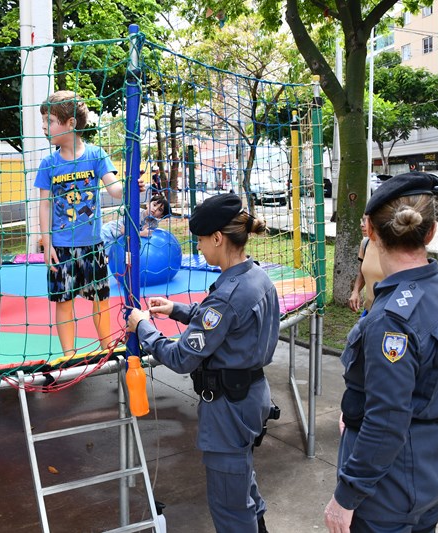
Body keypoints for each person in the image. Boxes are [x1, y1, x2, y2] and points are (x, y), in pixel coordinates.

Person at [324, 172, 438, 533]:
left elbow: (387, 421)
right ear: (431, 231)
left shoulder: (390, 320)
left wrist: (345, 498)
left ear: (370, 231)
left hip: (391, 486)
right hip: (435, 464)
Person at [127, 193, 279, 533]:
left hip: (229, 410)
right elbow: (229, 324)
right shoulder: (256, 277)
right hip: (250, 396)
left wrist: (143, 327)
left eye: (199, 240)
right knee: (244, 487)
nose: (198, 248)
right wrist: (177, 310)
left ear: (218, 238)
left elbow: (182, 357)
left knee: (230, 507)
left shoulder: (227, 294)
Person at [35, 90, 144, 357]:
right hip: (61, 246)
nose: (43, 127)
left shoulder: (95, 155)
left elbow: (114, 189)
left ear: (70, 123)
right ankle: (69, 353)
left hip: (93, 245)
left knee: (100, 298)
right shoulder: (49, 163)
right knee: (64, 301)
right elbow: (45, 204)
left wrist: (131, 186)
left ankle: (106, 345)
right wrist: (46, 241)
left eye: (49, 121)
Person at [100, 194, 171, 250]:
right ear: (147, 204)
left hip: (117, 241)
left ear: (161, 216)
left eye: (160, 210)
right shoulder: (136, 212)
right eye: (154, 205)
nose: (155, 209)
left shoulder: (153, 224)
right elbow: (123, 230)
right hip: (108, 232)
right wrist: (142, 233)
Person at [347, 215, 384, 316]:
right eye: (361, 220)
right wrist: (355, 292)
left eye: (365, 221)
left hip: (387, 314)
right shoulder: (365, 243)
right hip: (368, 311)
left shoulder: (393, 246)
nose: (361, 224)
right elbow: (362, 273)